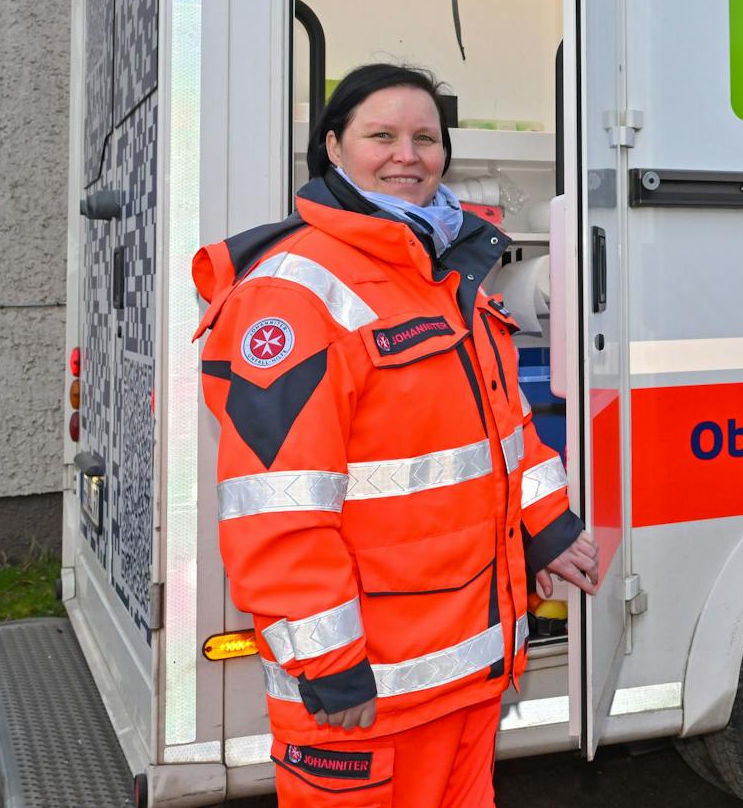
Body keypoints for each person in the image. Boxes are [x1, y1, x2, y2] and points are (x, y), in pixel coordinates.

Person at [192, 63, 600, 805]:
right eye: (381, 135)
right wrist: (328, 663)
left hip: (465, 677)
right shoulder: (293, 292)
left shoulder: (442, 271)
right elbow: (275, 507)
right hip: (368, 698)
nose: (407, 155)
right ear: (334, 148)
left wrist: (548, 524)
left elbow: (502, 429)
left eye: (425, 137)